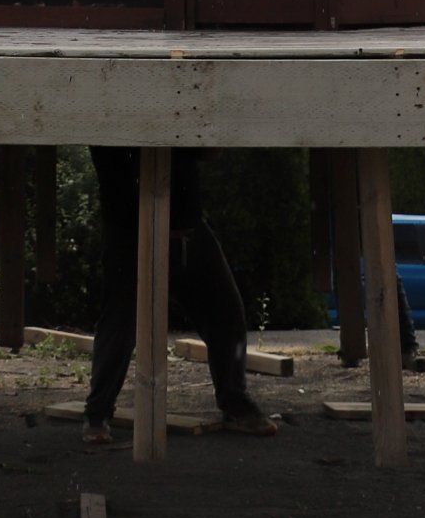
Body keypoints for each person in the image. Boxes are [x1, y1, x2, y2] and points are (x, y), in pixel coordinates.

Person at [82, 148, 278, 443]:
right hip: (129, 231)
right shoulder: (111, 114)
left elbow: (209, 150)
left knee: (227, 314)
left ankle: (235, 403)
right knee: (119, 326)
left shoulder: (178, 108)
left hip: (187, 229)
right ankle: (97, 414)